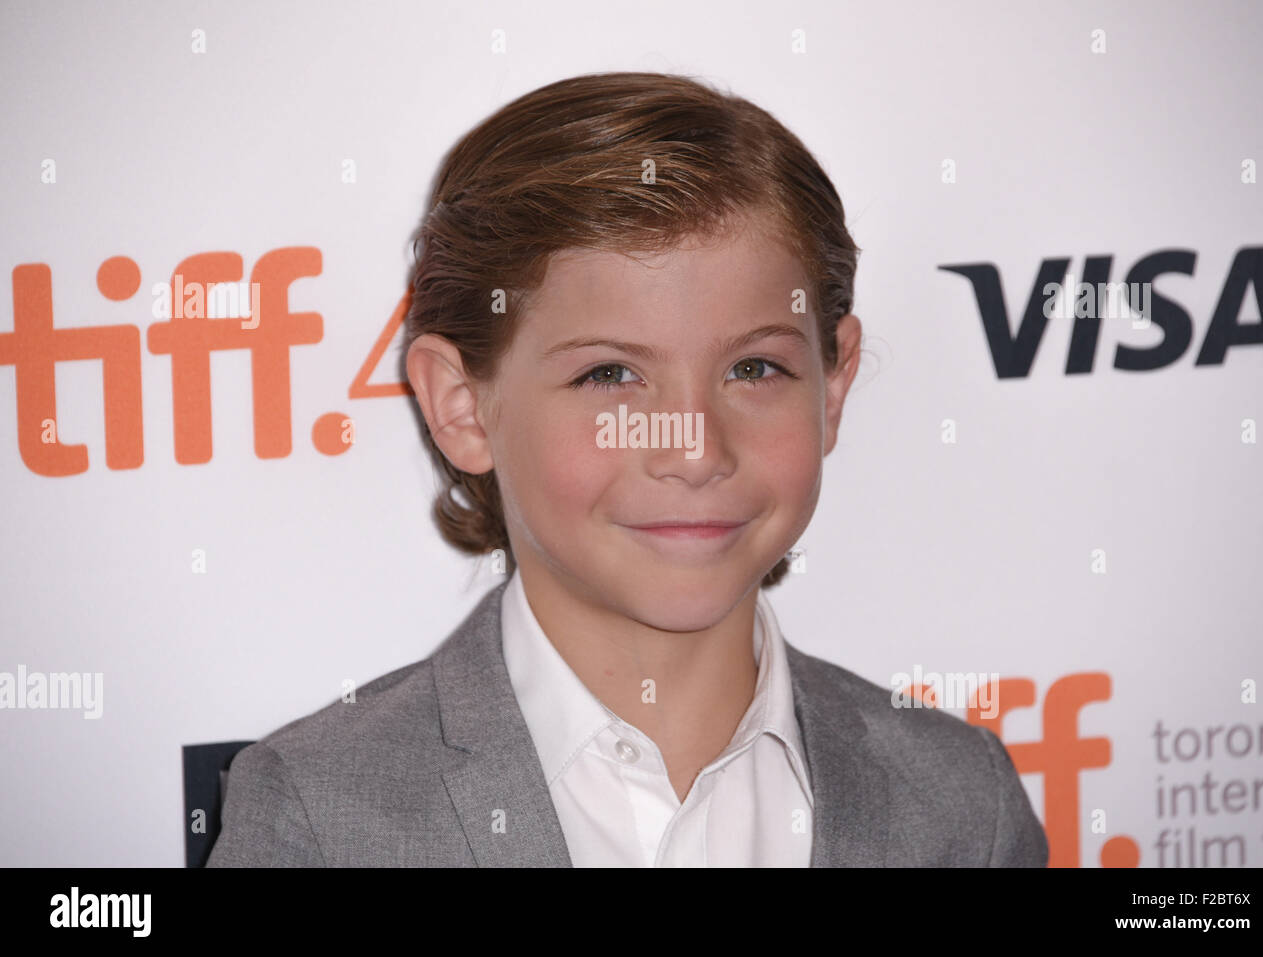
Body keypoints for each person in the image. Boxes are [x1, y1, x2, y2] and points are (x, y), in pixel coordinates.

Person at [207, 71, 1048, 867]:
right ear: (463, 407)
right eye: (609, 375)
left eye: (755, 369)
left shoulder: (962, 802)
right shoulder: (323, 814)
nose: (696, 449)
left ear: (833, 387)